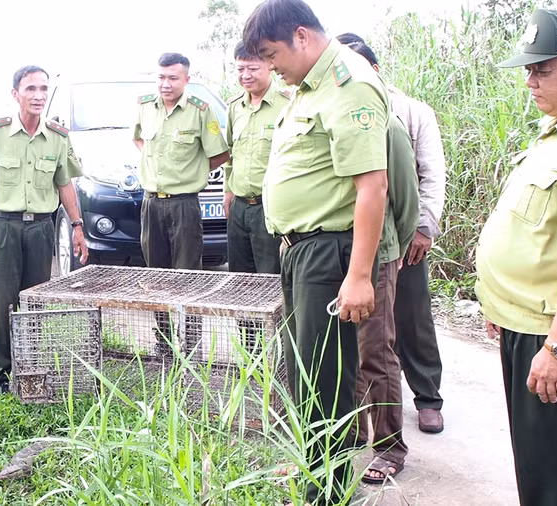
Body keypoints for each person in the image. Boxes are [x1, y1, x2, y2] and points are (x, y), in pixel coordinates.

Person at [242, 1, 390, 502]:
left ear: (301, 37)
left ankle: (324, 494)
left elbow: (372, 185)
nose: (270, 65)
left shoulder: (349, 83)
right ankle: (313, 476)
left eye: (271, 53)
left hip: (328, 254)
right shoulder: (307, 87)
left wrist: (359, 276)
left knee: (324, 384)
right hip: (299, 251)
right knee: (304, 375)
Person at [476, 8, 557, 505]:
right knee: (534, 468)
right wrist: (499, 305)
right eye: (528, 70)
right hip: (523, 326)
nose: (530, 81)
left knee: (553, 478)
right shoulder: (553, 130)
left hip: (552, 337)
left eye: (543, 69)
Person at [0, 65, 88, 395]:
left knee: (34, 303)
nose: (38, 95)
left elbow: (65, 183)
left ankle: (32, 369)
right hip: (3, 229)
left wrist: (78, 226)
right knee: (2, 305)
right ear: (16, 94)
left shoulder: (57, 137)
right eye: (30, 89)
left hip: (41, 229)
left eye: (43, 88)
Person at [337, 33, 448, 436]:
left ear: (375, 68)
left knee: (413, 320)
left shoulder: (411, 111)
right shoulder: (338, 107)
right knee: (369, 333)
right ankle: (366, 413)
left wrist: (422, 230)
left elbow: (430, 174)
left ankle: (428, 398)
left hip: (407, 233)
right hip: (365, 238)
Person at [336, 34, 421, 484]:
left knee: (376, 352)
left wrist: (390, 251)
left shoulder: (387, 124)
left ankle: (389, 447)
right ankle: (350, 433)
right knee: (344, 352)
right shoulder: (335, 115)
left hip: (378, 256)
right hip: (336, 254)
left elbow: (405, 199)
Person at [132, 53, 229, 357]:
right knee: (155, 276)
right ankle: (163, 343)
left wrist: (193, 172)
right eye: (161, 77)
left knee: (190, 276)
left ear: (186, 79)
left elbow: (219, 153)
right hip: (151, 204)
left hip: (185, 205)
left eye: (173, 78)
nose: (166, 84)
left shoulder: (201, 111)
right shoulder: (146, 106)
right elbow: (138, 139)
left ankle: (193, 347)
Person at [224, 41, 290, 275]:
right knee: (239, 277)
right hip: (239, 207)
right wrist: (228, 193)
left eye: (252, 68)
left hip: (270, 207)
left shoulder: (288, 103)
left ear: (269, 66)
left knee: (270, 276)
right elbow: (231, 153)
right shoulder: (234, 107)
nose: (245, 75)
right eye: (240, 69)